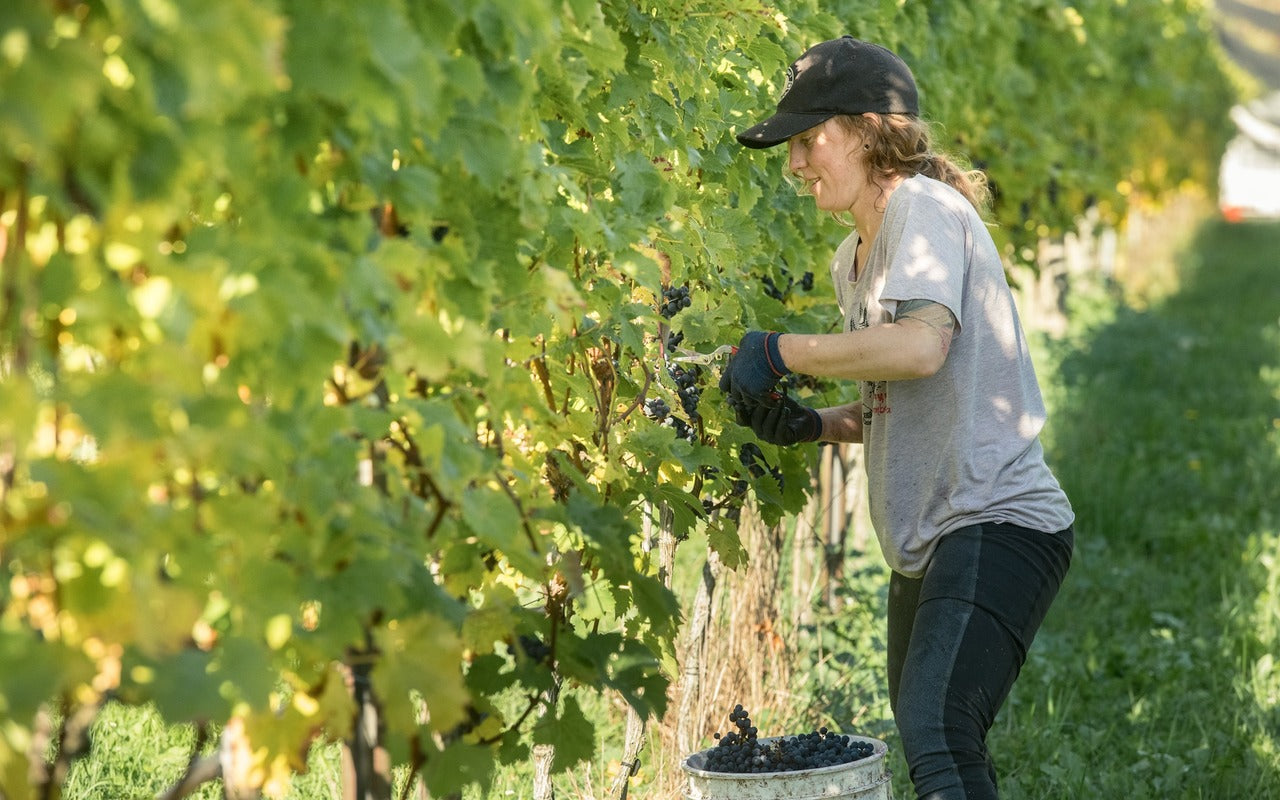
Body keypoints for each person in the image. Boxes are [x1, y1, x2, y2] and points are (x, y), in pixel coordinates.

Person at [722, 36, 1075, 800]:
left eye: (810, 140)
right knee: (934, 738)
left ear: (867, 131)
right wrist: (814, 423)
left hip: (997, 519)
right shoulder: (853, 256)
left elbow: (920, 350)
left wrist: (782, 352)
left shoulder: (923, 209)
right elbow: (895, 400)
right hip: (933, 538)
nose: (794, 163)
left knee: (937, 730)